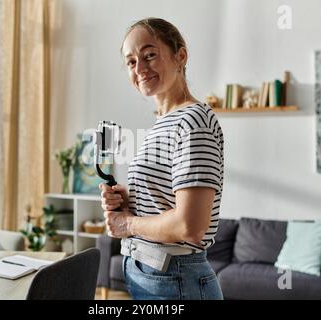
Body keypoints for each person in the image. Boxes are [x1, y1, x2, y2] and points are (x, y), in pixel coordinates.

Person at [100, 17, 224, 300]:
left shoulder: (193, 120)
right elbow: (168, 200)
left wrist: (127, 224)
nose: (140, 68)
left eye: (150, 55)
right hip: (152, 275)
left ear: (181, 55)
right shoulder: (163, 122)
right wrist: (129, 198)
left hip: (176, 280)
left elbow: (190, 227)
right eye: (131, 62)